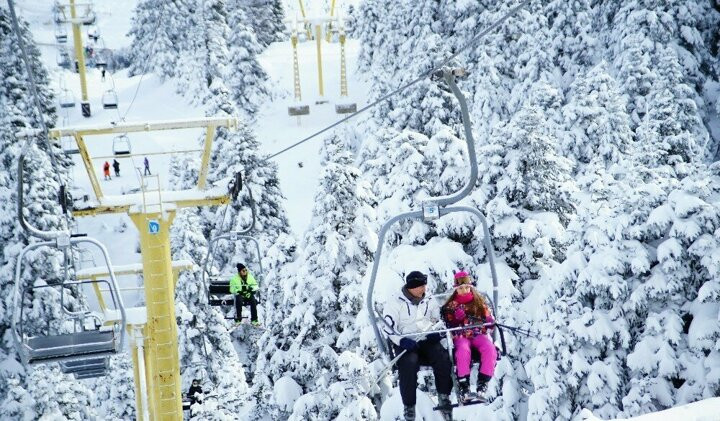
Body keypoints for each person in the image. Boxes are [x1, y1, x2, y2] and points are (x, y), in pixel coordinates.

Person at [383, 271, 453, 421]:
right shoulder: (396, 302)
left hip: (426, 337)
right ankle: (409, 405)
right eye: (420, 286)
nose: (424, 289)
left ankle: (444, 396)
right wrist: (401, 341)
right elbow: (388, 327)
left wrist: (437, 332)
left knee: (442, 357)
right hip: (406, 340)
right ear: (411, 287)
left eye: (424, 285)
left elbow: (437, 318)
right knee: (408, 363)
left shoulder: (428, 299)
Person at [441, 271, 497, 402]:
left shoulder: (479, 302)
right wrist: (455, 320)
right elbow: (448, 324)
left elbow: (489, 323)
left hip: (478, 334)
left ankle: (483, 383)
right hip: (461, 335)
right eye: (461, 288)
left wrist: (489, 321)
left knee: (490, 349)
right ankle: (464, 385)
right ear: (456, 289)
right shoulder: (451, 305)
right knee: (463, 351)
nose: (464, 290)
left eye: (467, 287)